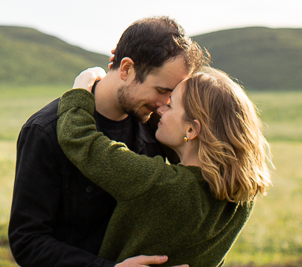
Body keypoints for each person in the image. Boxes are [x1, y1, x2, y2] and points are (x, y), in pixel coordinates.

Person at [8, 17, 208, 267]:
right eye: (161, 90)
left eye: (173, 94)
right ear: (126, 69)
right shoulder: (45, 130)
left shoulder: (162, 125)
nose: (165, 103)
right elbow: (27, 241)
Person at [55, 66, 273, 267]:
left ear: (191, 131)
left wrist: (81, 87)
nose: (160, 110)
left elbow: (79, 138)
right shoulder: (242, 199)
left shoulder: (159, 183)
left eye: (170, 105)